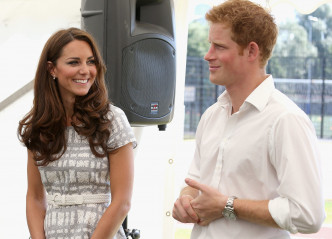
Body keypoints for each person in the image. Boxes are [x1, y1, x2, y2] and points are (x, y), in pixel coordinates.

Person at [172, 0, 325, 238]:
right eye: (210, 44)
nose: (207, 55)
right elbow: (196, 183)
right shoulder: (212, 115)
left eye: (219, 46)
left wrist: (227, 206)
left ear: (252, 51)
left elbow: (308, 215)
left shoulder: (286, 119)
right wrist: (185, 201)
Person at [18, 27, 136, 239]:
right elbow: (35, 197)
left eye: (91, 61)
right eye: (74, 62)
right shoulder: (39, 126)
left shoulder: (112, 120)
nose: (86, 70)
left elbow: (122, 202)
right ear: (51, 69)